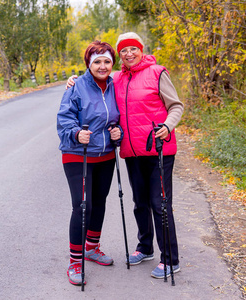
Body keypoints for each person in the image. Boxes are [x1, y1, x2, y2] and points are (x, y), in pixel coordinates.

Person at [66, 32, 184, 279]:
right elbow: (95, 82)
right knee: (140, 203)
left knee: (160, 204)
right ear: (120, 55)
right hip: (131, 151)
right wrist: (73, 81)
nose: (129, 53)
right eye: (124, 50)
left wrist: (168, 126)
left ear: (141, 49)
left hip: (158, 148)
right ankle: (145, 247)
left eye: (134, 48)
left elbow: (176, 106)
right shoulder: (117, 78)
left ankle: (171, 259)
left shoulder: (158, 73)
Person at [57, 40, 122, 286]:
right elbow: (64, 118)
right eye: (97, 61)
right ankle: (75, 261)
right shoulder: (76, 86)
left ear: (112, 63)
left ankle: (92, 248)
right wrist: (76, 133)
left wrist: (118, 132)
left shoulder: (116, 87)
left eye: (107, 61)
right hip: (78, 154)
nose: (103, 66)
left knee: (99, 203)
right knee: (83, 205)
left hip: (105, 155)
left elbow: (119, 117)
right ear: (88, 63)